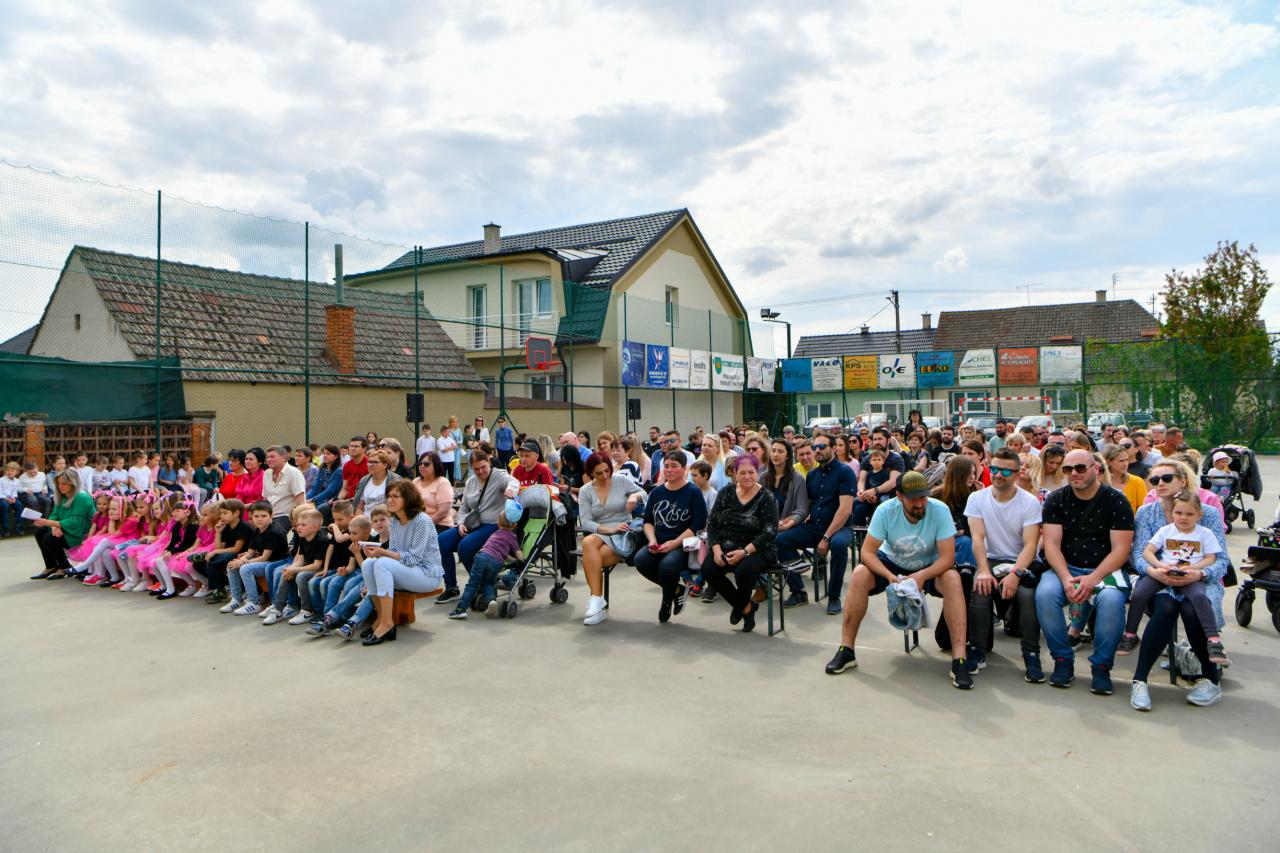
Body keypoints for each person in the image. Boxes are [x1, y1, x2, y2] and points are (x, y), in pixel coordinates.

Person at [824, 471, 972, 689]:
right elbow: (867, 553)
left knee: (952, 578)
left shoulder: (939, 510)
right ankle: (846, 650)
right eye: (913, 498)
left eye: (923, 497)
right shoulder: (886, 510)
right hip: (891, 562)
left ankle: (959, 659)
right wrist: (889, 576)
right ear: (899, 496)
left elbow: (948, 558)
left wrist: (922, 575)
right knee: (859, 574)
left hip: (928, 565)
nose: (919, 503)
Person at [1126, 460, 1230, 710]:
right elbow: (1139, 554)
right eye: (1155, 480)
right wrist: (1155, 572)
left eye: (1167, 478)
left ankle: (1211, 680)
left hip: (1199, 578)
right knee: (1166, 608)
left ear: (1183, 481)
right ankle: (1139, 680)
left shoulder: (1206, 513)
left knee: (1192, 610)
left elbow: (1221, 560)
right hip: (1159, 577)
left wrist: (1199, 574)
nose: (1160, 483)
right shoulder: (1146, 513)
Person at [1034, 449, 1135, 695]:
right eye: (1067, 469)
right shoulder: (1056, 500)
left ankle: (1101, 666)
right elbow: (1051, 544)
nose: (1073, 473)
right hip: (1065, 566)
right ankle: (1062, 659)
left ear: (1096, 469)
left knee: (1111, 601)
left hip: (1105, 568)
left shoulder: (1116, 501)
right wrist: (1066, 577)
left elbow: (1121, 550)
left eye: (1080, 468)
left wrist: (1093, 578)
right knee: (1045, 594)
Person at [964, 448, 1046, 681]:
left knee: (1027, 595)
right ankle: (977, 649)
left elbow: (1030, 545)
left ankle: (1031, 653)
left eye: (1006, 471)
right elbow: (977, 538)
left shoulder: (1029, 502)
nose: (999, 475)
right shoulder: (976, 498)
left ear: (1017, 473)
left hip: (1021, 561)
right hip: (990, 559)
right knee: (980, 588)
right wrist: (983, 570)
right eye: (995, 469)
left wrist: (1015, 574)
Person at [1119, 489, 1226, 661]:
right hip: (1165, 572)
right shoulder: (1166, 530)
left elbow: (1211, 557)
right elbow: (1147, 551)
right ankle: (1130, 634)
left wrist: (1195, 569)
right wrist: (1160, 566)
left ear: (1199, 515)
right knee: (1139, 593)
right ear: (1172, 513)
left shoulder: (1205, 534)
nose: (1183, 518)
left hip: (1189, 575)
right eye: (1178, 513)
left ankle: (1213, 640)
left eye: (1189, 514)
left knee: (1200, 597)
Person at [776, 434, 857, 615]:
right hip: (815, 526)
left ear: (834, 448)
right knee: (781, 539)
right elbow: (807, 506)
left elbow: (845, 510)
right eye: (815, 447)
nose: (817, 450)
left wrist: (826, 538)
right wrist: (791, 520)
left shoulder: (845, 472)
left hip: (840, 528)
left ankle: (834, 596)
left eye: (822, 446)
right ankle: (798, 591)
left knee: (838, 545)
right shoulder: (812, 475)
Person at [358, 480, 446, 645]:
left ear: (408, 498)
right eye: (389, 496)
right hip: (408, 572)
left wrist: (382, 553)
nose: (390, 500)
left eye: (395, 496)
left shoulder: (422, 520)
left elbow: (413, 559)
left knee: (382, 563)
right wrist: (376, 554)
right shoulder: (395, 521)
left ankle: (387, 624)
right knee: (368, 564)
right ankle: (381, 619)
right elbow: (393, 551)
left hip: (427, 575)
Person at [701, 454, 779, 633]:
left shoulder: (767, 497)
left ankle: (739, 607)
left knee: (744, 570)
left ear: (757, 473)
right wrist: (716, 549)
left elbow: (769, 532)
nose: (747, 476)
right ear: (734, 474)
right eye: (742, 473)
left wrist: (744, 552)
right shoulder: (726, 493)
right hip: (726, 545)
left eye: (751, 472)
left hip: (758, 548)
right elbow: (712, 524)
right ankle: (745, 606)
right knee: (708, 569)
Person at [634, 452, 707, 623]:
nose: (669, 470)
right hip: (658, 542)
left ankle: (666, 602)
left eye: (674, 466)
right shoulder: (657, 492)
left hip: (683, 544)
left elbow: (698, 523)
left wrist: (674, 543)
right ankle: (676, 590)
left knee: (667, 567)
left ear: (684, 468)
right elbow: (648, 521)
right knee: (641, 560)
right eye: (666, 466)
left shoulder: (693, 492)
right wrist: (652, 540)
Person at [435, 449, 515, 603]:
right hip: (473, 523)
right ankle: (451, 587)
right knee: (442, 540)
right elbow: (464, 507)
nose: (480, 471)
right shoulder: (470, 482)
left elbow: (513, 482)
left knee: (465, 547)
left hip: (493, 524)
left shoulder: (498, 475)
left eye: (483, 467)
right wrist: (460, 523)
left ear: (489, 462)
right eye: (476, 468)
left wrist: (511, 489)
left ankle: (481, 584)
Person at [577, 451, 646, 626]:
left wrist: (634, 496)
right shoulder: (585, 491)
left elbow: (644, 493)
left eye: (607, 470)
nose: (605, 475)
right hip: (602, 530)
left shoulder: (620, 480)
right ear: (591, 473)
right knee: (588, 542)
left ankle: (596, 603)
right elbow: (586, 522)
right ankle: (597, 601)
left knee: (590, 559)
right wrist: (608, 529)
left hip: (623, 531)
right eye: (599, 473)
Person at [448, 500, 523, 619]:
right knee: (488, 582)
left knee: (472, 584)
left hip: (481, 557)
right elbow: (516, 552)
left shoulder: (495, 534)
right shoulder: (512, 537)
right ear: (514, 525)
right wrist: (520, 562)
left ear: (498, 523)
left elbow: (491, 548)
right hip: (496, 562)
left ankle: (461, 609)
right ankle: (491, 601)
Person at [222, 500, 290, 616]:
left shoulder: (274, 531)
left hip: (276, 562)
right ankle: (236, 599)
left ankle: (253, 603)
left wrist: (244, 562)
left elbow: (264, 557)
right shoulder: (257, 530)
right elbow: (250, 553)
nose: (259, 519)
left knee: (245, 569)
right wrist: (242, 559)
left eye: (263, 516)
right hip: (265, 561)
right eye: (256, 516)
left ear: (271, 515)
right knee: (231, 565)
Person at [28, 470, 96, 580]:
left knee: (50, 538)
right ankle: (51, 566)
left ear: (73, 484)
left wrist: (48, 523)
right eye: (58, 483)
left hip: (81, 533)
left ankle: (64, 567)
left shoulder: (82, 497)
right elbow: (54, 515)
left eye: (64, 483)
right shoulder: (62, 496)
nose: (60, 486)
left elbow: (75, 523)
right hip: (68, 528)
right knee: (40, 532)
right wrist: (54, 526)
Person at [262, 445, 307, 536]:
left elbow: (301, 501)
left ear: (283, 457)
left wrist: (298, 521)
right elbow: (265, 499)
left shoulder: (293, 473)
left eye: (272, 456)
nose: (269, 459)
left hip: (287, 516)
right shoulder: (267, 473)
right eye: (267, 457)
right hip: (270, 515)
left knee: (273, 533)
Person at [413, 452, 456, 532]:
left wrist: (423, 525)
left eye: (426, 464)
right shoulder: (416, 481)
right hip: (417, 524)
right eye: (420, 463)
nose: (422, 466)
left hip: (439, 525)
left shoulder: (442, 482)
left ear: (436, 465)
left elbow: (442, 513)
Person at [352, 450, 402, 515]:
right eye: (369, 462)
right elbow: (359, 506)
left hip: (387, 518)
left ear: (385, 465)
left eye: (375, 462)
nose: (371, 465)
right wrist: (361, 519)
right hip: (365, 519)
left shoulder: (395, 480)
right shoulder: (364, 480)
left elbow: (399, 505)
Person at [1102, 443, 1148, 513]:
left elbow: (1144, 511)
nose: (1125, 464)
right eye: (1121, 461)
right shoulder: (1100, 483)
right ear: (1108, 462)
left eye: (1127, 460)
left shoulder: (1137, 481)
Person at [307, 444, 344, 514]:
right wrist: (305, 498)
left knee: (316, 509)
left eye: (328, 454)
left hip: (330, 500)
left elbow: (330, 491)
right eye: (324, 453)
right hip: (320, 498)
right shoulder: (323, 469)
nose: (324, 455)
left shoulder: (339, 471)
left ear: (336, 456)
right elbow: (315, 487)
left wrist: (313, 500)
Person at [438, 418, 462, 483]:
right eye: (447, 432)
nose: (449, 433)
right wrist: (451, 447)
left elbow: (455, 445)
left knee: (451, 474)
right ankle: (443, 485)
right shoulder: (440, 440)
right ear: (443, 432)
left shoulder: (450, 438)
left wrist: (449, 448)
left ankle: (452, 486)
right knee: (443, 474)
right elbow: (444, 450)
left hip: (451, 459)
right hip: (444, 460)